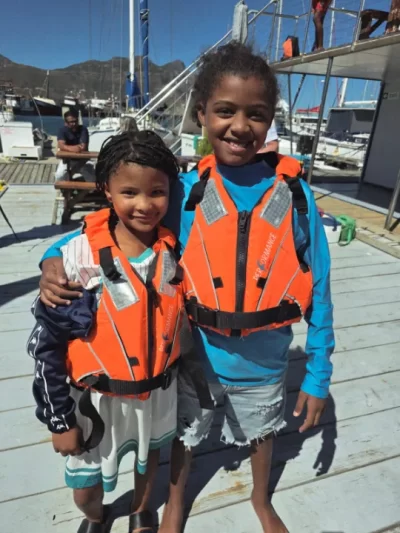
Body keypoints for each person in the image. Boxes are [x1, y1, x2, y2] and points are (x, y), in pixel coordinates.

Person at [38, 42, 334, 533]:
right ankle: (174, 504)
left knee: (262, 432)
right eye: (225, 111)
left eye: (256, 114)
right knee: (185, 436)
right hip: (192, 356)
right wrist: (52, 259)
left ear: (270, 120)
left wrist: (318, 373)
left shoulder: (294, 194)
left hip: (266, 358)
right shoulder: (182, 191)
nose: (240, 126)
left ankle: (261, 498)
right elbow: (108, 227)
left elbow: (319, 285)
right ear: (202, 114)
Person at [28, 130, 184, 533]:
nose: (145, 205)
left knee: (149, 460)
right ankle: (96, 517)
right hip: (94, 403)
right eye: (129, 192)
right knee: (84, 489)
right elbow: (46, 348)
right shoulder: (76, 260)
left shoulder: (173, 251)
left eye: (157, 192)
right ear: (107, 192)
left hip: (155, 394)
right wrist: (59, 421)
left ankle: (141, 511)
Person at [55, 110, 95, 182]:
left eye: (75, 121)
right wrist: (74, 148)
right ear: (66, 123)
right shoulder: (62, 130)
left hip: (83, 160)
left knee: (92, 178)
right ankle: (65, 188)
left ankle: (88, 189)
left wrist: (66, 147)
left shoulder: (83, 129)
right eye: (71, 122)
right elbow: (60, 145)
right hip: (67, 160)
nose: (74, 123)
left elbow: (83, 147)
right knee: (59, 175)